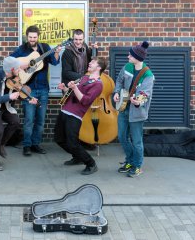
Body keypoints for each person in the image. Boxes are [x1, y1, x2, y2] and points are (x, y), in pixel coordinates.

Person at [0, 56, 38, 171]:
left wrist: (28, 99)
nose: (19, 70)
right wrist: (9, 96)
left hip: (4, 106)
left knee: (15, 122)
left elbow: (18, 91)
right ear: (11, 70)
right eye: (17, 68)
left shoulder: (14, 76)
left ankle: (1, 145)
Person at [10, 25, 62, 156]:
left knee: (40, 120)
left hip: (43, 88)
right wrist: (24, 65)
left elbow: (55, 62)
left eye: (34, 37)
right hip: (29, 90)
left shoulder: (45, 48)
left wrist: (56, 52)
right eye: (30, 37)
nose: (32, 39)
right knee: (29, 119)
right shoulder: (22, 49)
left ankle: (35, 144)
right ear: (27, 37)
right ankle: (26, 145)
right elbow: (10, 62)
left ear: (38, 37)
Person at [55, 57, 106, 175]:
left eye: (92, 62)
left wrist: (75, 87)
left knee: (73, 143)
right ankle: (78, 157)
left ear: (99, 67)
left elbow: (85, 101)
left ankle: (91, 163)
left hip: (75, 116)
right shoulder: (84, 78)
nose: (89, 63)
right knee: (59, 139)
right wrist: (65, 89)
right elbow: (72, 94)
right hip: (65, 111)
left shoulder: (98, 85)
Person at [113, 41, 155, 177]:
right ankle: (130, 161)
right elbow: (119, 81)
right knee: (122, 137)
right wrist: (116, 92)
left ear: (138, 57)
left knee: (137, 141)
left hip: (137, 112)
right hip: (124, 108)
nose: (128, 57)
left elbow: (145, 94)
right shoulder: (127, 67)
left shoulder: (148, 75)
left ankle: (137, 165)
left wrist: (138, 101)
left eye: (130, 55)